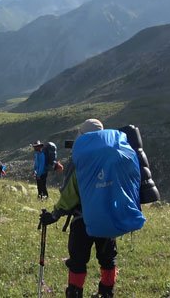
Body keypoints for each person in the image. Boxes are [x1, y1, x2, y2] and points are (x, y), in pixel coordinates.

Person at [39, 119, 118, 298]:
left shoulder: (80, 159)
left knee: (78, 261)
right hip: (108, 219)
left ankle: (75, 293)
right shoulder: (114, 156)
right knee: (108, 259)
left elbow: (70, 194)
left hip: (83, 220)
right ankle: (106, 293)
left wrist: (55, 214)